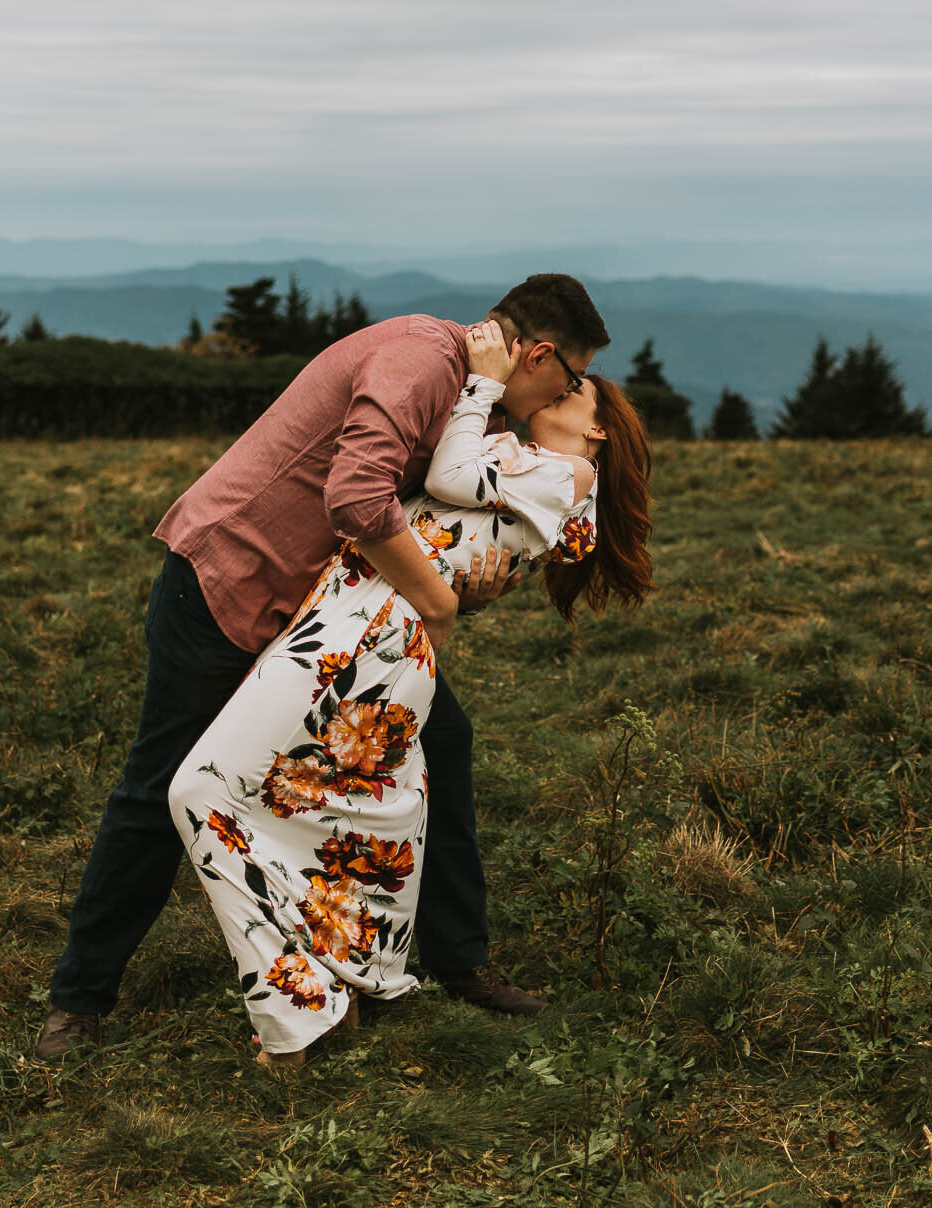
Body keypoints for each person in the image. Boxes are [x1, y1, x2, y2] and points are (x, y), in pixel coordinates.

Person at [35, 273, 607, 1060]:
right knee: (159, 786)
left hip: (329, 620)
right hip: (232, 585)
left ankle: (458, 962)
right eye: (572, 378)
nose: (564, 394)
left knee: (442, 745)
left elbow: (433, 515)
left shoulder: (468, 391)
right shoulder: (420, 361)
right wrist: (436, 605)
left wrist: (461, 581)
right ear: (539, 354)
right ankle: (79, 1001)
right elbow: (357, 498)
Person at [169, 323, 653, 1062]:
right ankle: (350, 979)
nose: (559, 387)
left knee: (202, 792)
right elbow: (458, 525)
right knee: (335, 806)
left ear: (595, 429)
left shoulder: (568, 477)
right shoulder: (535, 469)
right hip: (362, 625)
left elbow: (449, 478)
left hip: (366, 634)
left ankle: (302, 1012)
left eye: (575, 388)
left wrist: (484, 383)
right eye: (567, 375)